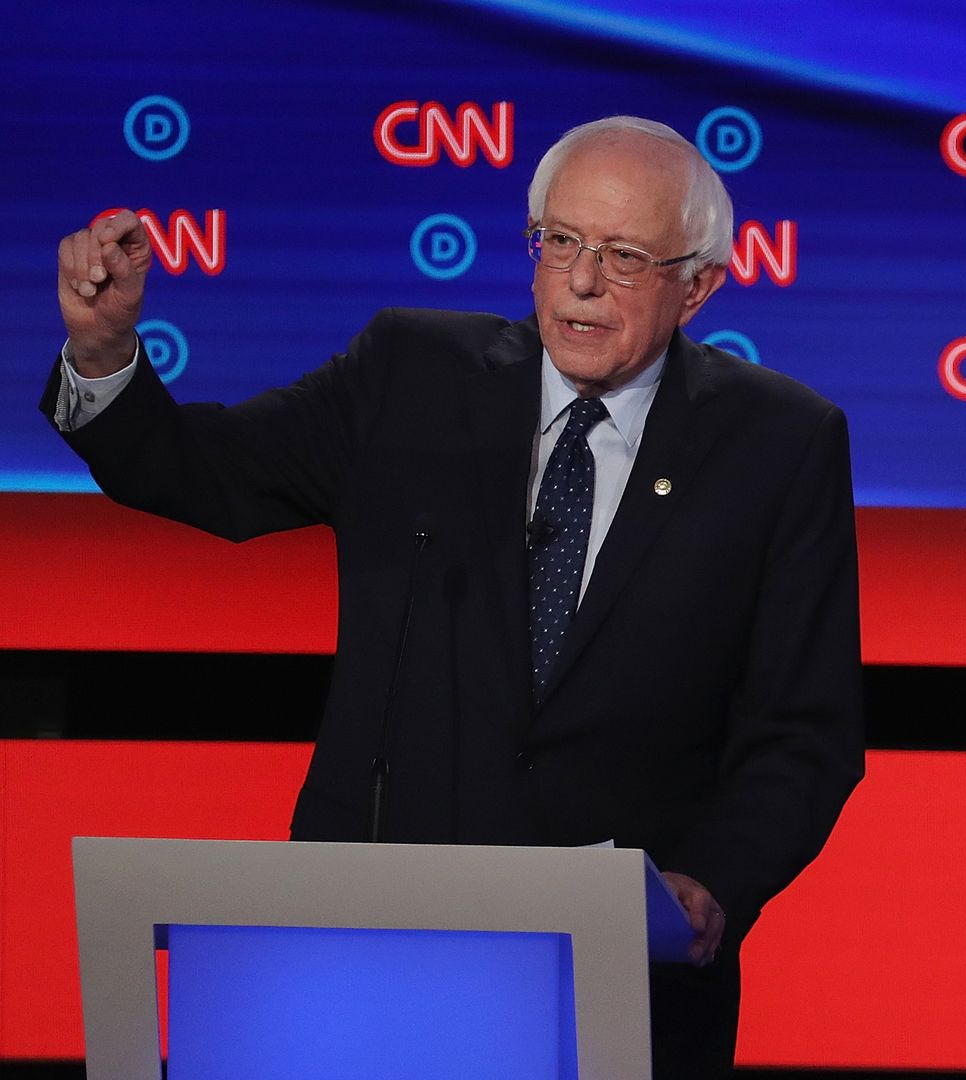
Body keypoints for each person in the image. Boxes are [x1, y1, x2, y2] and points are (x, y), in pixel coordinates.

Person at [45, 115, 864, 1076]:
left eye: (626, 256)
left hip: (622, 987)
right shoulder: (409, 374)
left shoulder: (780, 444)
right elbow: (199, 472)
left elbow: (805, 732)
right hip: (375, 952)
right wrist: (103, 355)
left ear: (700, 287)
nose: (583, 282)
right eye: (559, 242)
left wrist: (711, 883)